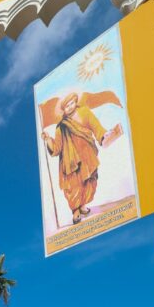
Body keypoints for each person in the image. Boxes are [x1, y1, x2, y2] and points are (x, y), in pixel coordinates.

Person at [42, 92, 113, 225]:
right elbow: (57, 148)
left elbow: (96, 126)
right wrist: (47, 139)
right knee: (73, 186)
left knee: (89, 180)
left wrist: (103, 135)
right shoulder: (61, 126)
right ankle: (75, 210)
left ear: (75, 101)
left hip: (87, 156)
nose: (70, 107)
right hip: (70, 162)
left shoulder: (85, 112)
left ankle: (82, 205)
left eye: (71, 103)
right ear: (63, 109)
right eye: (66, 106)